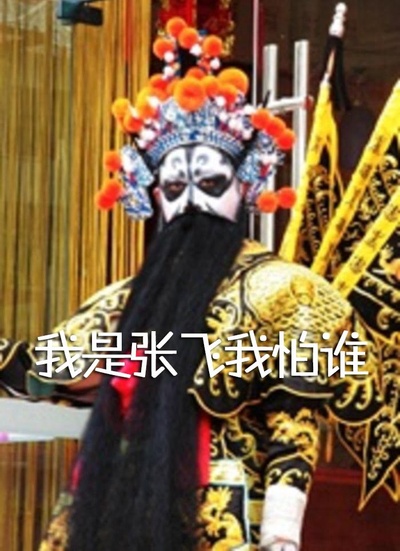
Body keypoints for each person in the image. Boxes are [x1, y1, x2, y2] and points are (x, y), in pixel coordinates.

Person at [0, 17, 386, 551]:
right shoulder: (123, 302)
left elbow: (295, 421)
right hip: (110, 509)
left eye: (210, 182)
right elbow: (40, 371)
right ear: (156, 196)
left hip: (221, 520)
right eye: (175, 185)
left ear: (245, 187)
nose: (192, 201)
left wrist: (281, 534)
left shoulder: (285, 292)